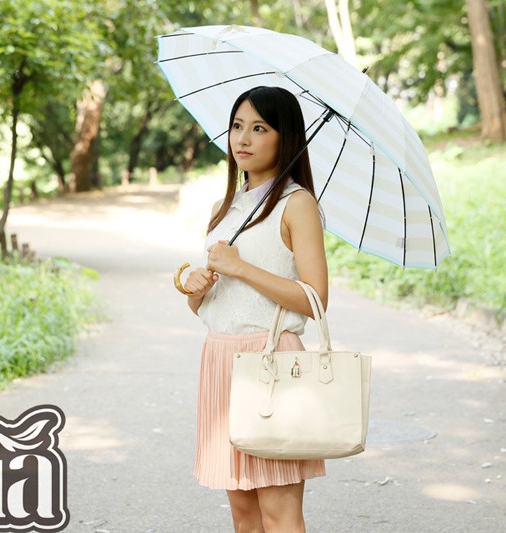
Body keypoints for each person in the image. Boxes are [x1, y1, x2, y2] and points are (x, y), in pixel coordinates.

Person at [182, 86, 328, 533]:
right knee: (244, 516)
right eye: (237, 126)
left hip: (271, 362)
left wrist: (241, 268)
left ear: (286, 138)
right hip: (221, 359)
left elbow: (315, 299)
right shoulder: (224, 208)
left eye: (260, 128)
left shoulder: (297, 204)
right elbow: (210, 304)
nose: (242, 138)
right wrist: (194, 287)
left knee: (278, 514)